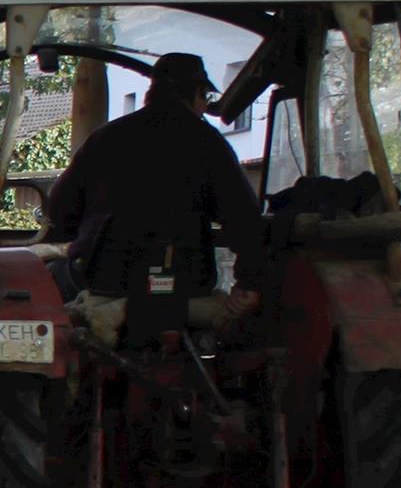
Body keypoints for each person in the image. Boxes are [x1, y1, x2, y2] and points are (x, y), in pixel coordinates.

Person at [39, 51, 267, 301]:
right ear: (197, 93)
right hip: (183, 286)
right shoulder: (210, 144)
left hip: (100, 280)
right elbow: (244, 220)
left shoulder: (107, 138)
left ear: (152, 92)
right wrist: (249, 282)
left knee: (46, 277)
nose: (204, 107)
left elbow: (60, 208)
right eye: (206, 97)